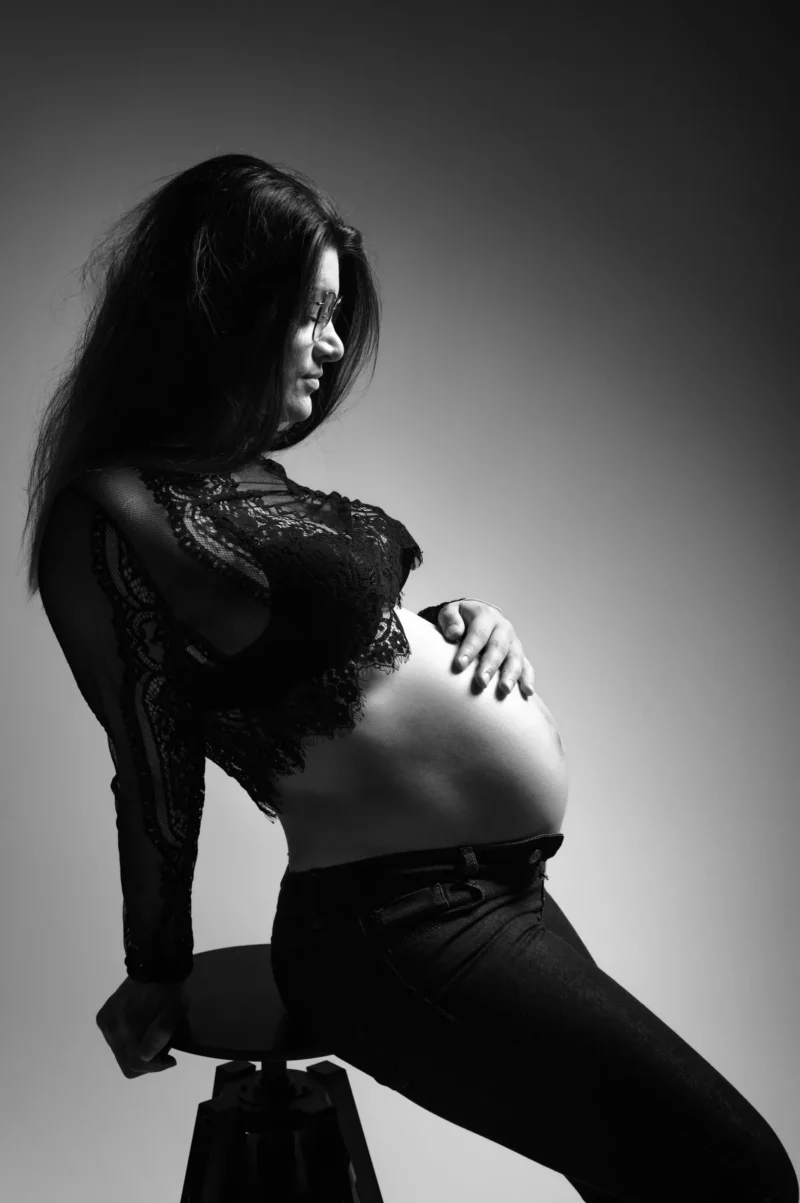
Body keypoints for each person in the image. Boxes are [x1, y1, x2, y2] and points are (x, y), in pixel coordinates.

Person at [23, 153, 797, 1202]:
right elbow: (153, 761)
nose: (333, 346)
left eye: (337, 315)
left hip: (502, 896)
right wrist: (157, 968)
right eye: (310, 313)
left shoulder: (252, 483)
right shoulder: (114, 513)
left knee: (653, 1174)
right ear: (220, 305)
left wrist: (456, 623)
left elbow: (311, 644)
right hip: (396, 928)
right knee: (729, 1174)